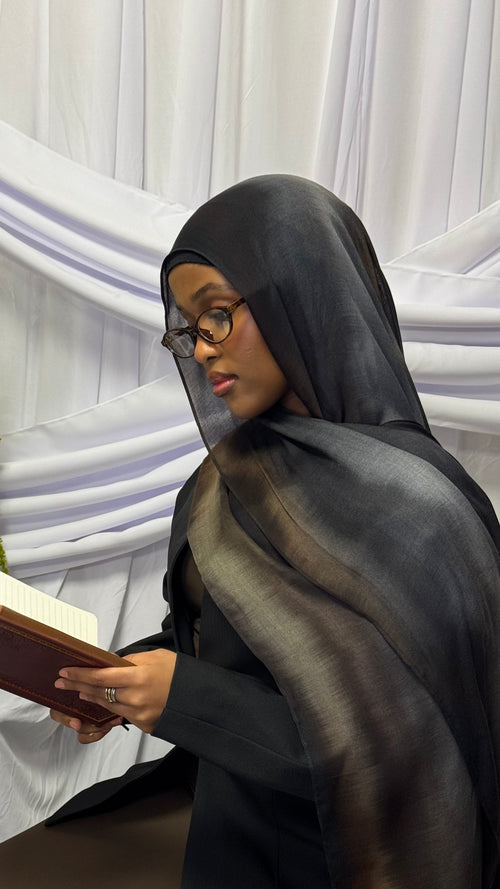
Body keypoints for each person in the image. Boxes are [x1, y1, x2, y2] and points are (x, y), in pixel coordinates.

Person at [1, 174, 500, 889]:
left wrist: (181, 699)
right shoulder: (219, 483)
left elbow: (405, 754)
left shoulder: (423, 512)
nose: (202, 349)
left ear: (300, 295)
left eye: (217, 314)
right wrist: (114, 682)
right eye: (188, 327)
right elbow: (206, 641)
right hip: (224, 822)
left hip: (349, 861)